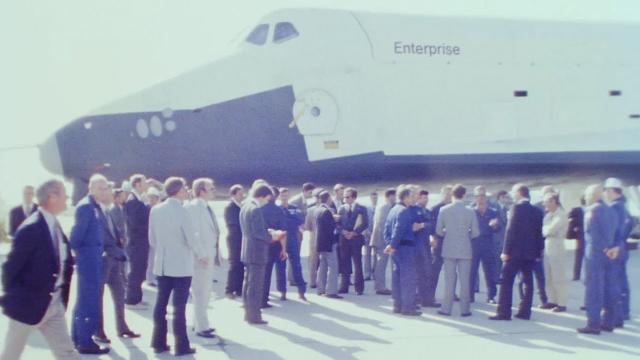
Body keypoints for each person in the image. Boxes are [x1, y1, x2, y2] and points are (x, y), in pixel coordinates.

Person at [0, 180, 80, 360]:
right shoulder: (31, 228)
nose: (67, 198)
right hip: (27, 305)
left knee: (67, 353)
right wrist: (18, 298)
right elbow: (10, 269)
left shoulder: (54, 224)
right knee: (10, 355)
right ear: (52, 197)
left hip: (53, 303)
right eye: (63, 194)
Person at [149, 177, 208, 355]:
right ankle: (181, 345)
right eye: (184, 189)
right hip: (181, 266)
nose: (187, 192)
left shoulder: (156, 210)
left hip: (162, 265)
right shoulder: (182, 212)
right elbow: (191, 238)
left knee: (160, 305)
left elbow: (152, 239)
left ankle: (158, 342)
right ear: (178, 191)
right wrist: (202, 255)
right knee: (179, 308)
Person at [69, 174, 111, 354]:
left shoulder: (94, 206)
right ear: (91, 188)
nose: (105, 191)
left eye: (106, 187)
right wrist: (82, 256)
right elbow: (76, 236)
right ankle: (85, 342)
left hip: (93, 258)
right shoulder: (86, 207)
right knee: (89, 300)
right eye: (101, 188)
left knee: (84, 300)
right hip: (88, 260)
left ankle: (78, 337)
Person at [490, 184, 544, 321]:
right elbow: (539, 233)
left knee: (506, 281)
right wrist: (539, 252)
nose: (512, 195)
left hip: (514, 253)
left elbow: (511, 231)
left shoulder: (516, 208)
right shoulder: (537, 211)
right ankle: (525, 312)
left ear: (519, 193)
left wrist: (505, 251)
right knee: (528, 282)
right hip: (531, 253)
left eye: (513, 192)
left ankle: (504, 312)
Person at [94, 184, 140, 344]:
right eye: (105, 189)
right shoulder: (96, 211)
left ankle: (122, 327)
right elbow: (102, 237)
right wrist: (118, 250)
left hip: (114, 262)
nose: (108, 192)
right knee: (98, 298)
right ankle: (98, 331)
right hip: (103, 260)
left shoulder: (108, 210)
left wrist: (120, 239)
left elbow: (113, 232)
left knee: (119, 294)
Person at [577, 184, 620, 334]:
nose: (586, 198)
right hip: (611, 255)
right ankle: (608, 322)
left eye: (587, 195)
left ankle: (593, 324)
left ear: (594, 195)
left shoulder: (591, 210)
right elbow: (618, 233)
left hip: (595, 254)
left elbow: (593, 234)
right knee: (609, 287)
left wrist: (604, 249)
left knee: (594, 289)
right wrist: (613, 248)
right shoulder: (611, 210)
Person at [240, 184, 283, 325]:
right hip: (257, 251)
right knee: (256, 286)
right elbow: (259, 233)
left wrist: (267, 232)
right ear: (262, 196)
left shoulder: (245, 206)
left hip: (247, 249)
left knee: (248, 284)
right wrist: (273, 236)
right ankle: (254, 316)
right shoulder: (256, 209)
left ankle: (248, 312)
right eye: (267, 199)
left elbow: (251, 230)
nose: (267, 202)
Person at [436, 184, 480, 317]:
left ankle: (446, 309)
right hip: (465, 248)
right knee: (465, 280)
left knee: (449, 280)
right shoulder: (470, 211)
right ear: (464, 195)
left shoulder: (444, 210)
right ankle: (465, 310)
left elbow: (438, 230)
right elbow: (476, 233)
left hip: (449, 247)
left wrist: (447, 232)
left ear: (452, 195)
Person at [185, 178, 220, 338]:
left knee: (204, 291)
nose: (214, 190)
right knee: (201, 291)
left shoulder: (205, 207)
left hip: (208, 254)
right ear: (201, 191)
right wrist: (201, 254)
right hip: (201, 257)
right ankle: (202, 327)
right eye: (211, 188)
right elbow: (193, 234)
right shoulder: (193, 207)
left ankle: (198, 323)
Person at [384, 185, 421, 316]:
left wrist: (390, 244)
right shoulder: (404, 211)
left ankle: (397, 305)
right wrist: (392, 244)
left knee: (397, 278)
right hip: (405, 248)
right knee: (408, 279)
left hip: (396, 250)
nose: (413, 199)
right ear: (405, 197)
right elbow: (398, 230)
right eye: (411, 196)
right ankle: (408, 307)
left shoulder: (393, 210)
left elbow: (386, 229)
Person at [604, 177, 632, 325]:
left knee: (615, 282)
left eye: (606, 190)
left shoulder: (615, 207)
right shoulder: (623, 206)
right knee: (622, 281)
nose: (606, 194)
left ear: (612, 190)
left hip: (616, 250)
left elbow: (616, 229)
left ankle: (618, 313)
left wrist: (614, 245)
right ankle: (624, 311)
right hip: (622, 248)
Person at [124, 174, 150, 309]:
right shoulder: (133, 201)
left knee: (140, 271)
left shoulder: (138, 200)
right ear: (137, 184)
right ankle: (131, 300)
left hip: (140, 242)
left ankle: (137, 298)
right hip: (137, 242)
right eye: (144, 182)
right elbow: (136, 224)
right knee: (135, 271)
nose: (146, 185)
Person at [540, 192, 569, 312]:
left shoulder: (561, 215)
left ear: (553, 202)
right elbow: (544, 231)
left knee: (558, 275)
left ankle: (561, 302)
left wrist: (546, 230)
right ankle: (552, 300)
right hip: (547, 245)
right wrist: (546, 230)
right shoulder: (548, 216)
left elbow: (549, 230)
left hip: (557, 245)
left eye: (547, 201)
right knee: (548, 275)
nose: (544, 204)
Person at [470, 186, 500, 304]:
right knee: (471, 271)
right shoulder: (471, 211)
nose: (481, 198)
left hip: (488, 244)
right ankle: (470, 295)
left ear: (486, 198)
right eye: (478, 196)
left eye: (483, 196)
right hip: (474, 244)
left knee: (490, 271)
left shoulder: (493, 211)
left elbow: (498, 229)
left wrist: (495, 226)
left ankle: (491, 296)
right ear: (475, 198)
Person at [337, 187, 369, 295]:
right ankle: (344, 286)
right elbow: (338, 224)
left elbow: (365, 223)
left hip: (356, 238)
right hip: (344, 239)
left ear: (354, 197)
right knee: (344, 263)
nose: (345, 199)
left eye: (347, 197)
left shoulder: (361, 208)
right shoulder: (341, 209)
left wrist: (354, 232)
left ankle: (359, 288)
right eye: (344, 197)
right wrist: (344, 232)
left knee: (357, 263)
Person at [279, 188, 308, 300]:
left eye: (286, 195)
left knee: (296, 264)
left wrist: (287, 220)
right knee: (280, 266)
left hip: (292, 238)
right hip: (281, 239)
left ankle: (301, 291)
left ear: (289, 196)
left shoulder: (294, 208)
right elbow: (278, 222)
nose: (284, 197)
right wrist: (290, 221)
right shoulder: (277, 209)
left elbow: (299, 220)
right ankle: (282, 291)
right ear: (279, 196)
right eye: (282, 195)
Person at [427, 185, 453, 306]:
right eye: (446, 194)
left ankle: (451, 294)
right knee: (434, 271)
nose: (448, 196)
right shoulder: (435, 209)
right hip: (439, 243)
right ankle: (430, 295)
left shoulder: (455, 208)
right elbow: (431, 227)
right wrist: (434, 237)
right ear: (442, 195)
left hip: (452, 243)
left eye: (450, 194)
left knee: (452, 272)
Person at [261, 187, 287, 306]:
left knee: (261, 273)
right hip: (274, 244)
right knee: (269, 272)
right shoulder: (278, 211)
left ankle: (260, 298)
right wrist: (284, 249)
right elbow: (283, 232)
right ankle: (265, 299)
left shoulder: (259, 209)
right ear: (276, 197)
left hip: (261, 243)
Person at [316, 190, 342, 299]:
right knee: (333, 266)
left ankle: (320, 288)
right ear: (328, 198)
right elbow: (331, 228)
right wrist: (336, 220)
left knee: (322, 265)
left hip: (321, 242)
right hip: (329, 242)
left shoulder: (318, 210)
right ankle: (331, 291)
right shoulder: (327, 211)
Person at [287, 182, 315, 285]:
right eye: (310, 192)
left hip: (299, 231)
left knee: (296, 254)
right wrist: (299, 225)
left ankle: (294, 278)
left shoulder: (304, 200)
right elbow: (291, 216)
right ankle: (293, 279)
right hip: (294, 231)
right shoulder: (296, 201)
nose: (311, 195)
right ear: (305, 191)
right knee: (294, 255)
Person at [370, 188, 396, 296]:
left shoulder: (383, 206)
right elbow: (383, 224)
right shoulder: (385, 207)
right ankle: (380, 287)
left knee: (380, 263)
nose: (396, 198)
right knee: (381, 264)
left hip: (380, 238)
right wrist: (389, 240)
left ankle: (379, 286)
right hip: (382, 240)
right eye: (394, 196)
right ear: (390, 196)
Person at [412, 189, 435, 307]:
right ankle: (417, 297)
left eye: (427, 198)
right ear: (418, 198)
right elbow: (413, 227)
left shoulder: (427, 211)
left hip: (426, 245)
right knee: (418, 273)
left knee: (426, 273)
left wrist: (423, 225)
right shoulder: (414, 210)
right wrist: (423, 225)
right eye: (423, 198)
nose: (425, 200)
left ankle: (425, 299)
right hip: (416, 246)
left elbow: (432, 226)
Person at [224, 185, 245, 299]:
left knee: (241, 264)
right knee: (234, 264)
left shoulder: (241, 206)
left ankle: (239, 289)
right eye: (240, 193)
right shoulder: (230, 207)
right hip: (234, 239)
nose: (243, 196)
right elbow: (233, 224)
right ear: (234, 194)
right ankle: (229, 290)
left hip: (242, 239)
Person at [304, 188, 324, 289]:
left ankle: (312, 281)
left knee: (313, 260)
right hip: (324, 238)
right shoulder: (328, 209)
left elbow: (307, 226)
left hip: (314, 238)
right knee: (324, 260)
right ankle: (321, 281)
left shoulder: (310, 210)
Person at [145, 186, 162, 287]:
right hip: (149, 236)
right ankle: (150, 278)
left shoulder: (159, 208)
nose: (151, 200)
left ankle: (154, 277)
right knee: (151, 259)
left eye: (154, 198)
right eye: (150, 197)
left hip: (158, 236)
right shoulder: (146, 208)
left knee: (156, 258)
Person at [567, 196, 586, 281]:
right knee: (580, 256)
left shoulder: (577, 210)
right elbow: (571, 223)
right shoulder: (577, 210)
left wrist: (571, 234)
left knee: (579, 256)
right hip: (582, 236)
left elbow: (571, 223)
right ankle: (577, 274)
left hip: (580, 236)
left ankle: (576, 275)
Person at [494, 190, 510, 283]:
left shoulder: (506, 209)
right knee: (496, 259)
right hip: (496, 237)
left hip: (503, 237)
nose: (506, 199)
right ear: (500, 197)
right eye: (504, 197)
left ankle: (499, 275)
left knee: (500, 259)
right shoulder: (495, 207)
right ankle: (496, 277)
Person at [363, 191, 379, 281]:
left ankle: (375, 272)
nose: (374, 199)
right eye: (373, 197)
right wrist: (366, 231)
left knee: (376, 254)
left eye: (376, 197)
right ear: (370, 198)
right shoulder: (366, 209)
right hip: (368, 234)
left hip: (376, 234)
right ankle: (367, 273)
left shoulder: (379, 208)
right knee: (367, 254)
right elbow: (364, 221)